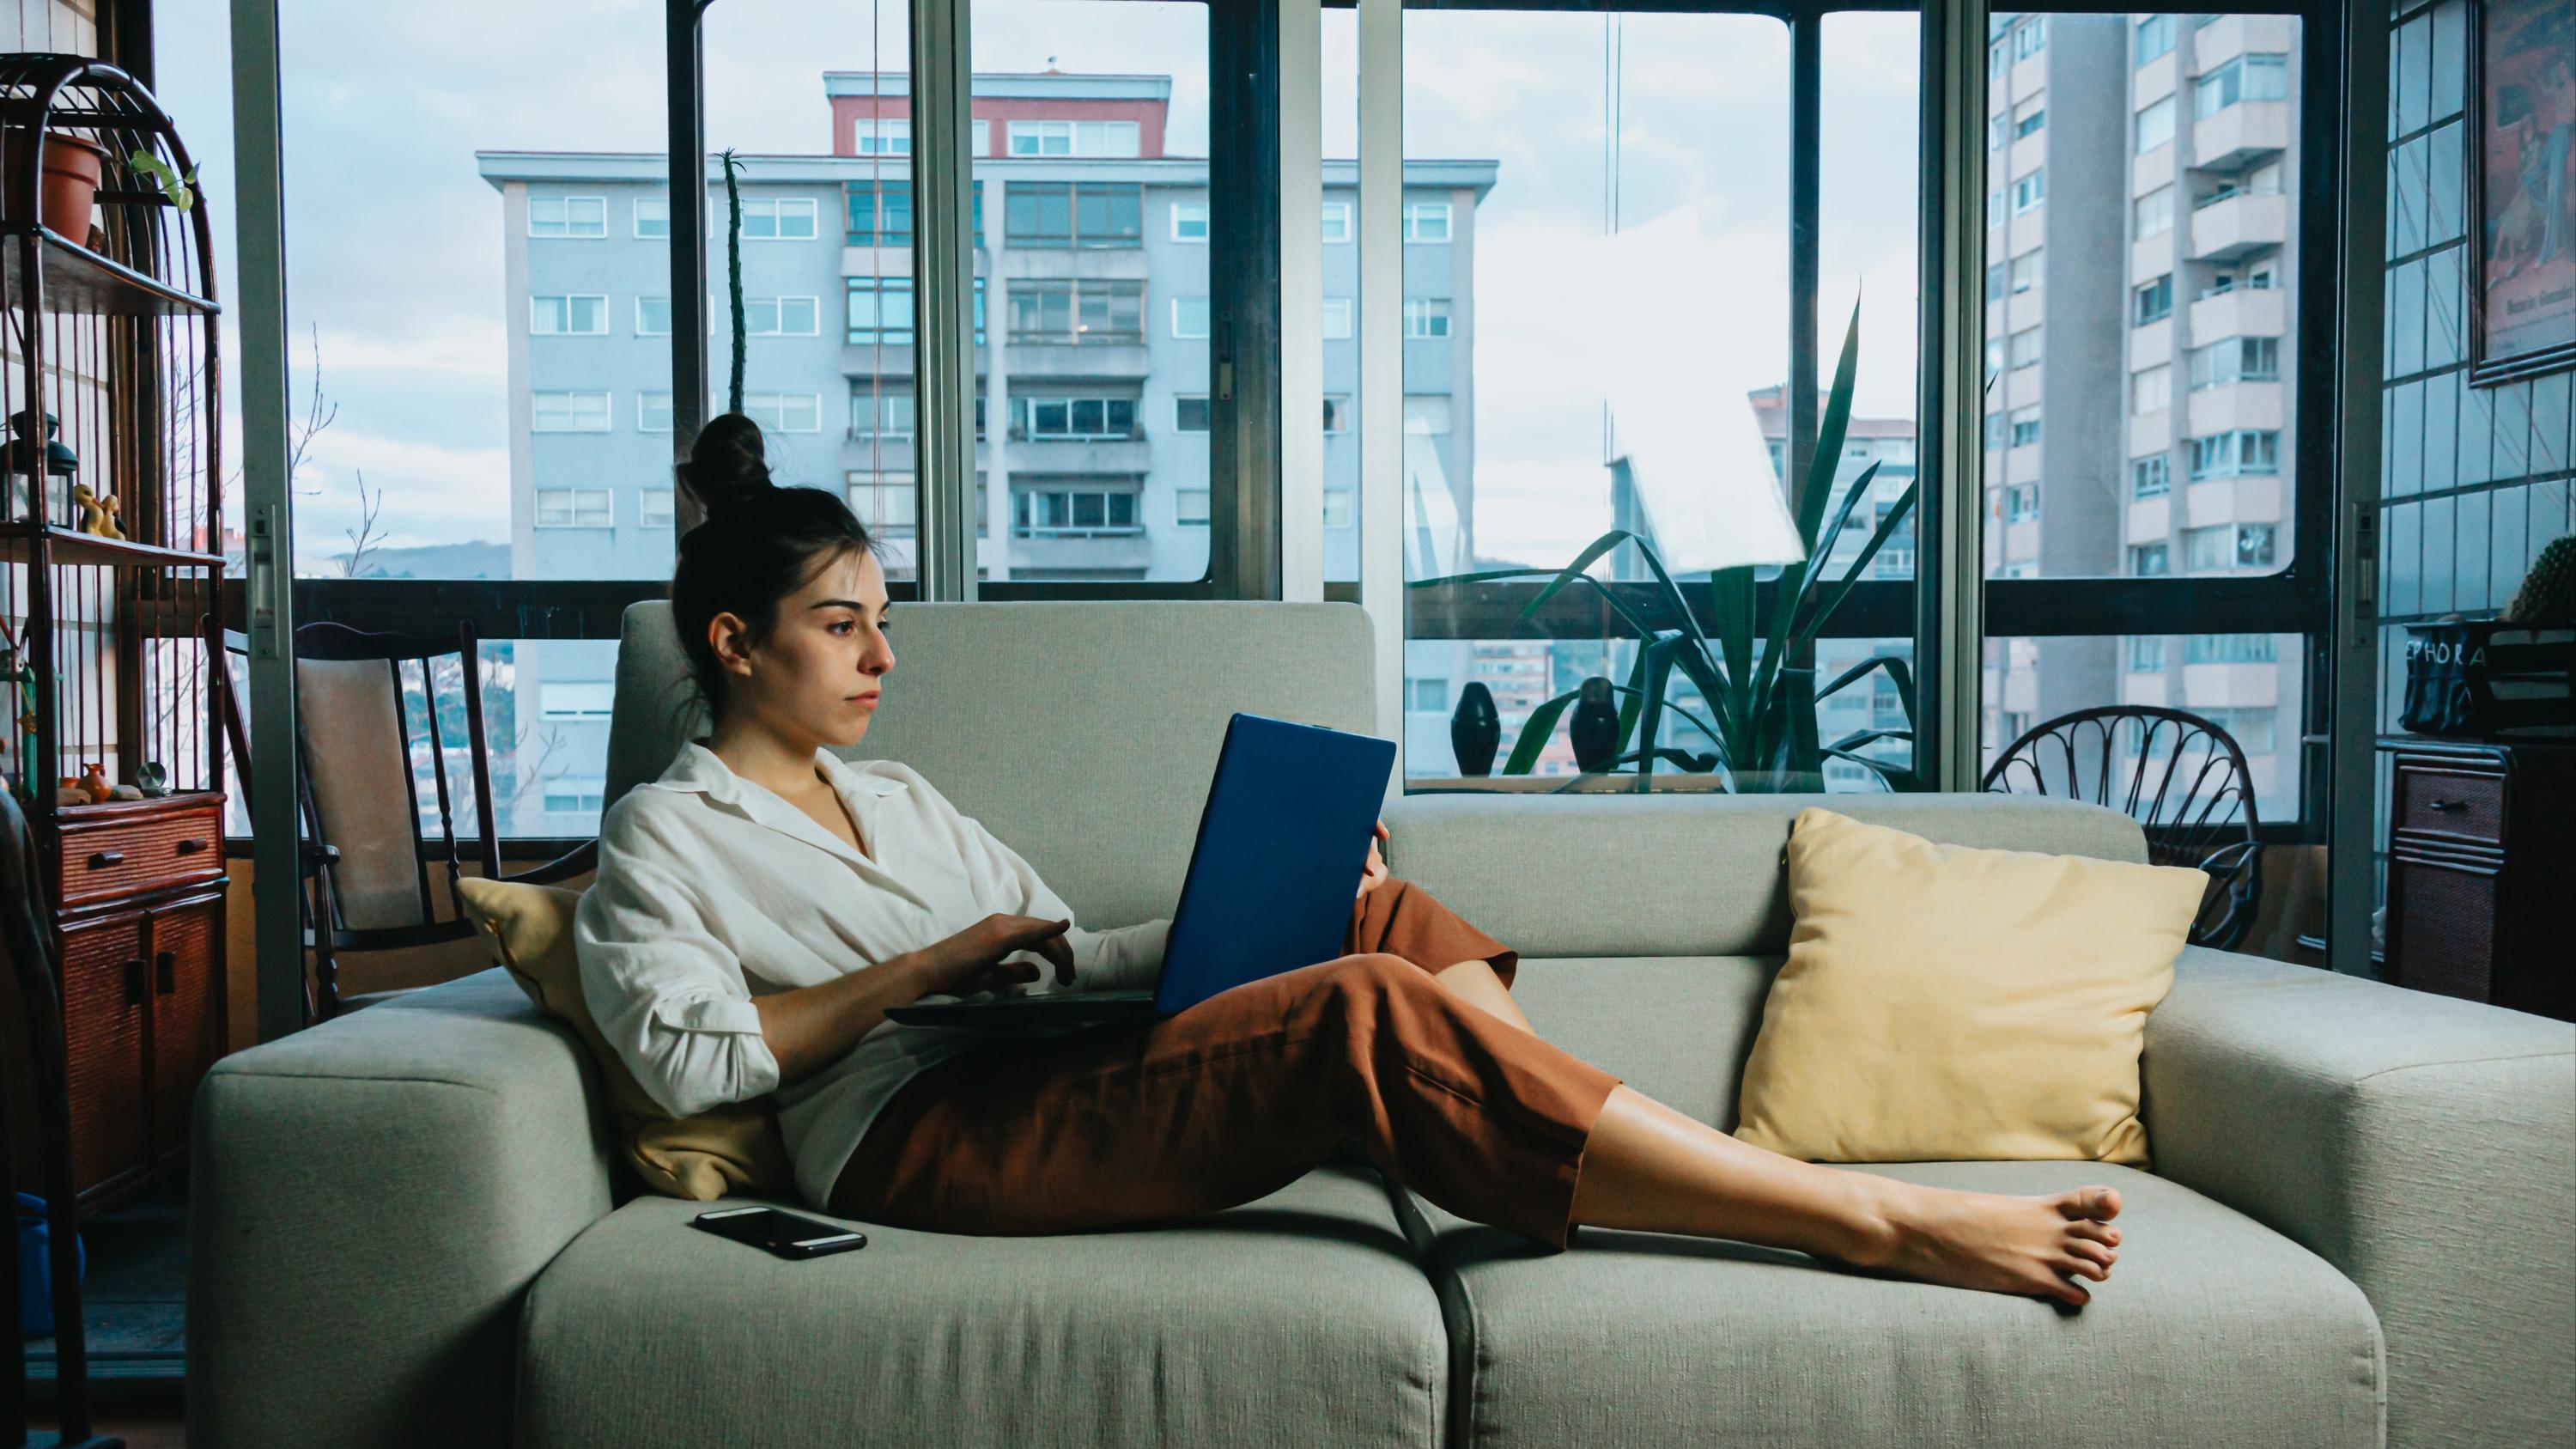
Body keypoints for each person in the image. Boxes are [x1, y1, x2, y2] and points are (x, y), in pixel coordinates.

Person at [576, 414, 2124, 1306]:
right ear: (734, 642)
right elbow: (696, 1054)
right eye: (843, 626)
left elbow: (1053, 953)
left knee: (1372, 910)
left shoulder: (900, 796)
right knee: (1360, 1010)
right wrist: (926, 968)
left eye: (884, 622)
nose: (881, 659)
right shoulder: (665, 835)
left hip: (1031, 1066)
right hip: (911, 1139)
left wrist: (1273, 894)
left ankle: (1549, 1139)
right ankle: (1862, 1218)